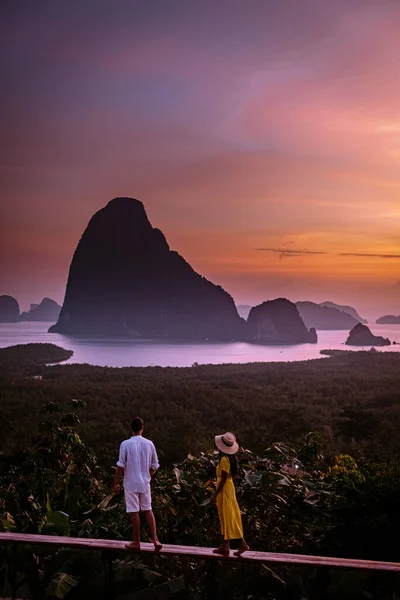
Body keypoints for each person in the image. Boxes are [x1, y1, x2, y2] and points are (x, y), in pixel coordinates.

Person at [113, 416, 162, 550]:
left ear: (131, 429)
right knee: (148, 509)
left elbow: (120, 466)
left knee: (134, 512)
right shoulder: (149, 444)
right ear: (142, 428)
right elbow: (155, 465)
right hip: (145, 482)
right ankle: (155, 540)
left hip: (130, 482)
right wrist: (148, 475)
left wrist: (116, 483)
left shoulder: (125, 444)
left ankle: (136, 542)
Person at [211, 432, 249, 556]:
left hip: (225, 489)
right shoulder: (231, 459)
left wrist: (215, 495)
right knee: (226, 515)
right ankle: (225, 544)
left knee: (228, 516)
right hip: (229, 488)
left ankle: (242, 544)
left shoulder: (224, 459)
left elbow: (222, 479)